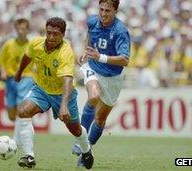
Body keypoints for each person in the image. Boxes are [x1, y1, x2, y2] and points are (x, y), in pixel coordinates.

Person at [14, 17, 94, 169]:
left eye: (55, 34)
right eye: (49, 33)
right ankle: (29, 156)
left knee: (75, 129)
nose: (51, 37)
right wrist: (19, 71)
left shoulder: (66, 52)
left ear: (63, 35)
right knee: (23, 111)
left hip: (63, 93)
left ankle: (86, 150)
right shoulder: (36, 43)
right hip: (41, 89)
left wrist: (63, 106)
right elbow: (27, 56)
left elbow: (67, 81)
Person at [72, 0, 131, 167]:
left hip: (113, 78)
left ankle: (86, 152)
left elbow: (125, 60)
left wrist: (101, 57)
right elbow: (90, 37)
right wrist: (86, 51)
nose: (103, 14)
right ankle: (80, 141)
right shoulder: (92, 21)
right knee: (93, 96)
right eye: (101, 9)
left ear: (115, 11)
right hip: (93, 68)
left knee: (100, 119)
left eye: (108, 10)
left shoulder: (120, 31)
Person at [0, 17, 34, 146]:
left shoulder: (32, 45)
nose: (21, 31)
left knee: (20, 109)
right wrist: (2, 72)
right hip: (11, 80)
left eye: (23, 28)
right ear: (15, 29)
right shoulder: (8, 44)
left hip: (26, 78)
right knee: (12, 114)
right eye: (19, 28)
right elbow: (0, 61)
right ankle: (19, 136)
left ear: (28, 30)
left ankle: (15, 142)